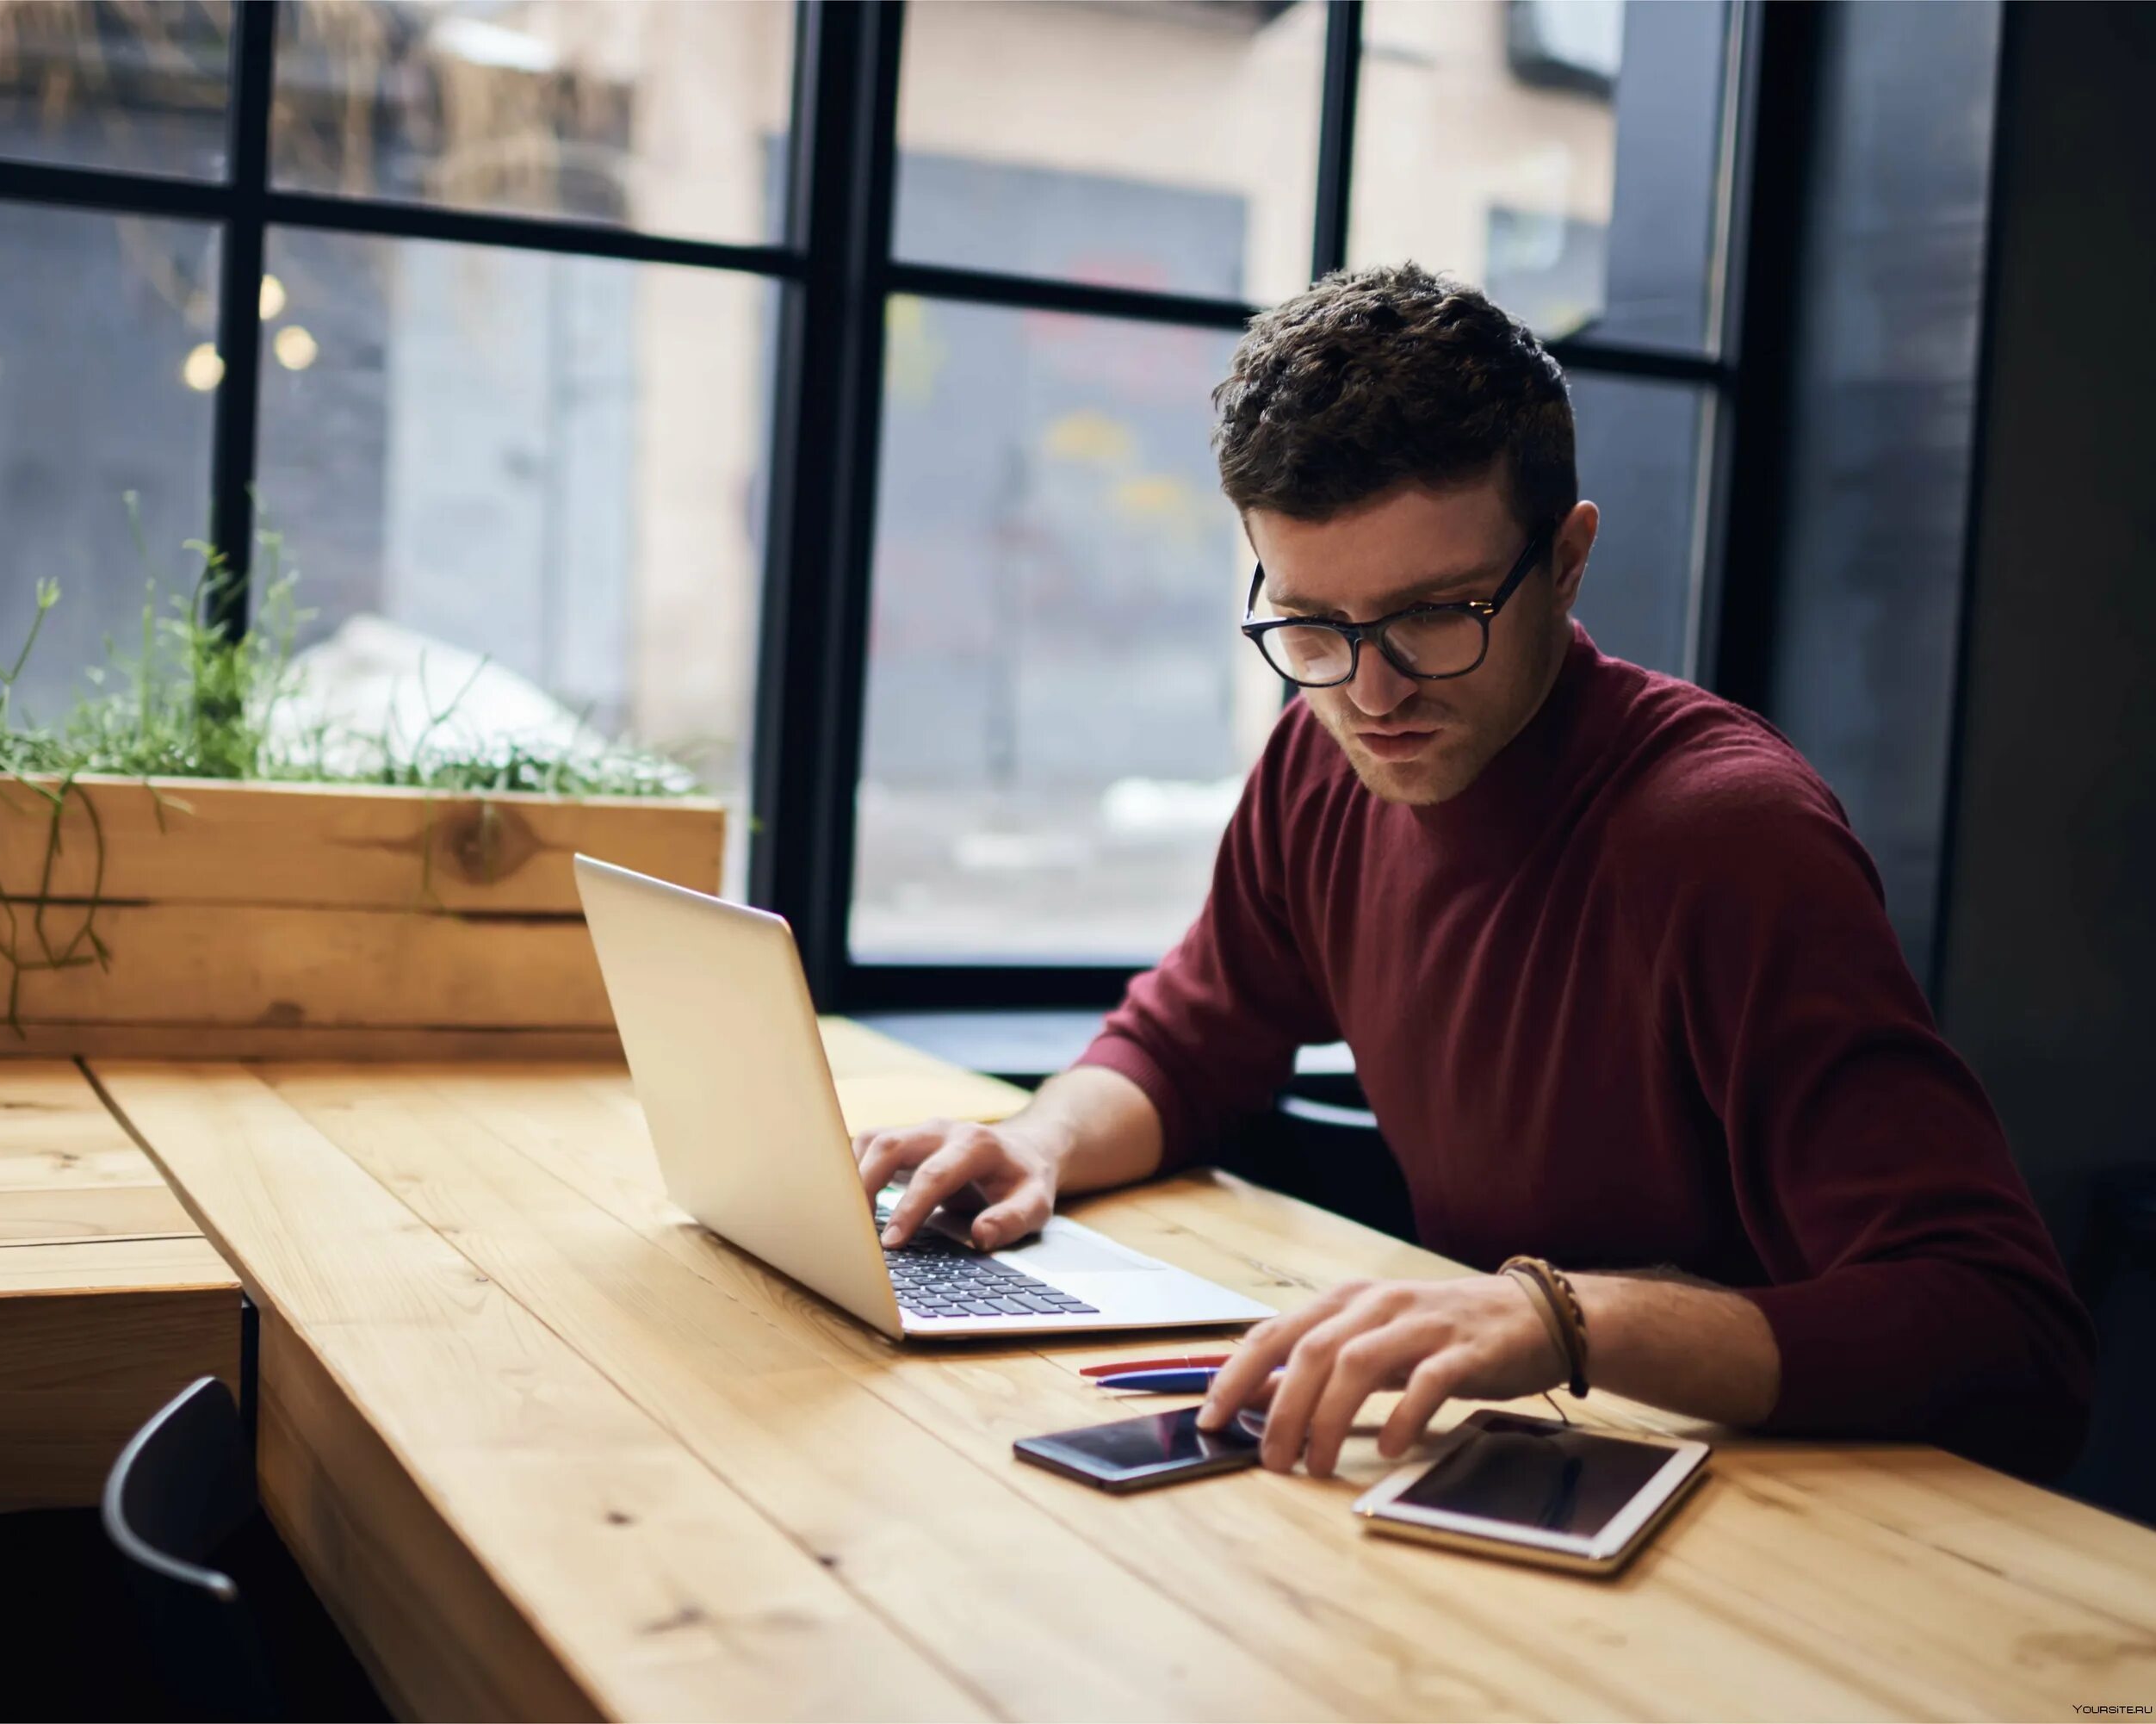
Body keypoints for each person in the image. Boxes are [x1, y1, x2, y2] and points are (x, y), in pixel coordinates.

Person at [852, 263, 2093, 1484]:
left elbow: (2007, 1337)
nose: (1374, 692)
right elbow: (1191, 1036)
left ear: (1566, 559)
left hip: (1786, 1507)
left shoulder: (1730, 839)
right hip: (1530, 1464)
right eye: (1311, 624)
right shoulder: (1320, 758)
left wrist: (1560, 1319)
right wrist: (1042, 1139)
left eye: (1436, 613)